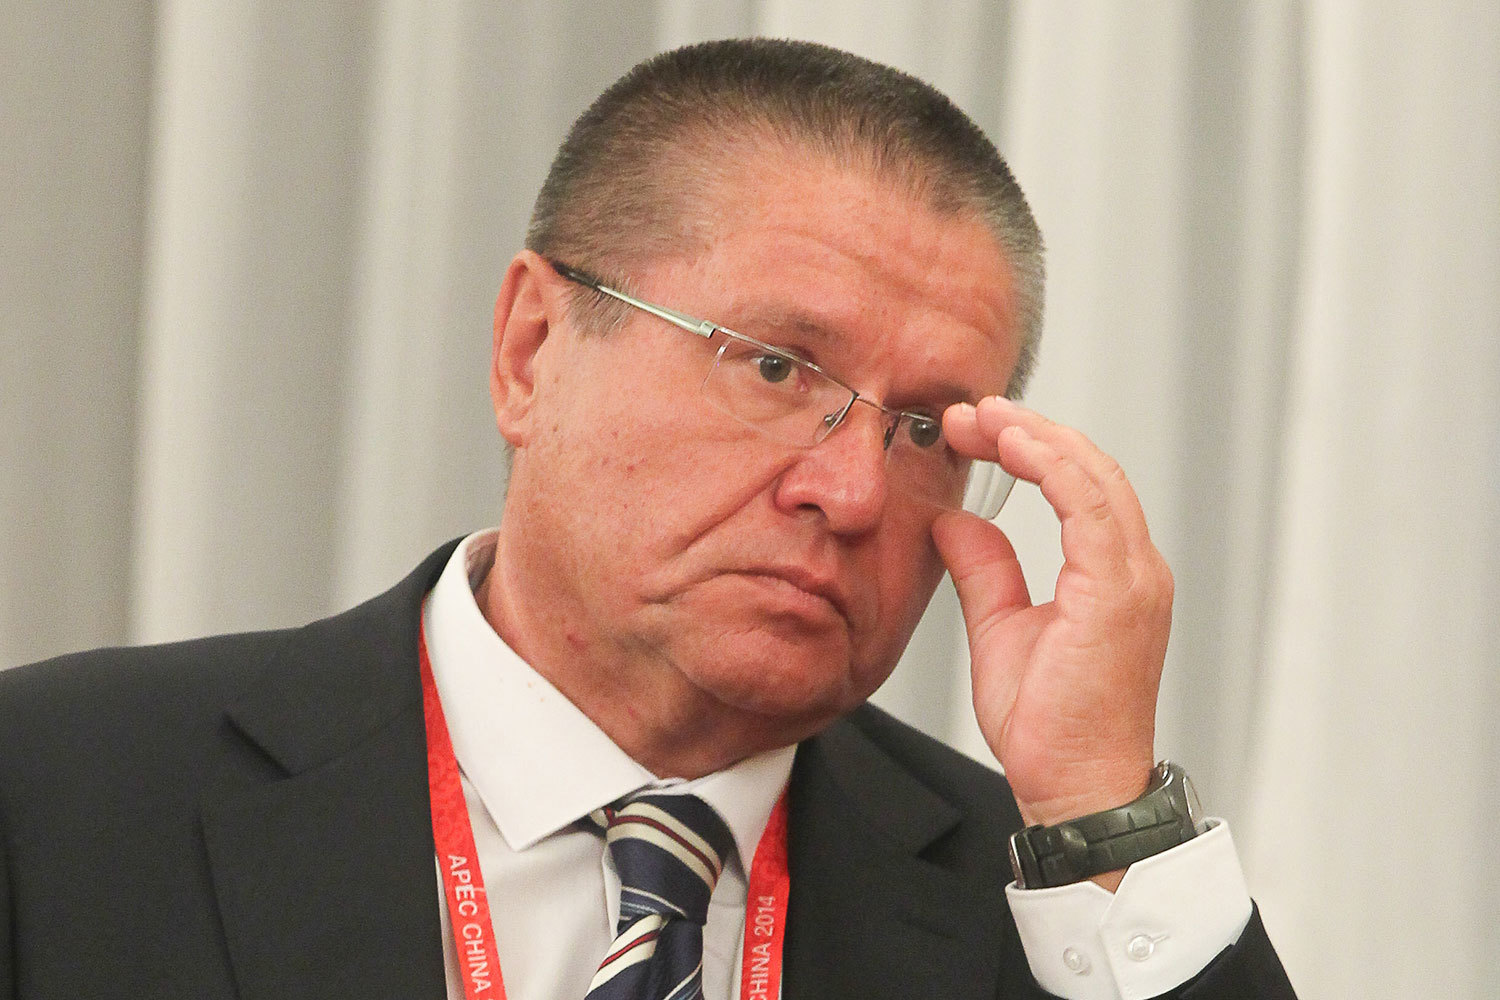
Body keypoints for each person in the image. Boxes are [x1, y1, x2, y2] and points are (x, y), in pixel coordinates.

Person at [0, 38, 1296, 1000]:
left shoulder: (1046, 916)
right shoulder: (60, 795)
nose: (850, 494)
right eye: (777, 368)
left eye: (921, 431)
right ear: (531, 350)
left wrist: (1100, 813)